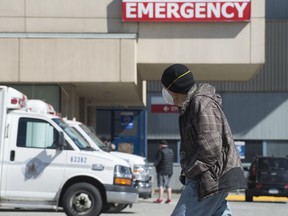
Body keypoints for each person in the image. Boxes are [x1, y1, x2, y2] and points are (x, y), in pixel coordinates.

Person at [160, 64, 246, 215]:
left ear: (174, 88)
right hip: (212, 176)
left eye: (166, 88)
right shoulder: (192, 105)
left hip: (209, 178)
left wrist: (190, 172)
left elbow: (211, 149)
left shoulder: (201, 103)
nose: (165, 93)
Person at [153, 140, 174, 204]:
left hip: (162, 171)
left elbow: (157, 161)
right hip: (170, 171)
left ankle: (160, 199)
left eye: (159, 145)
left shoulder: (160, 152)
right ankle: (169, 199)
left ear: (161, 145)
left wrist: (154, 164)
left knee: (161, 185)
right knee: (168, 185)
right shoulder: (171, 151)